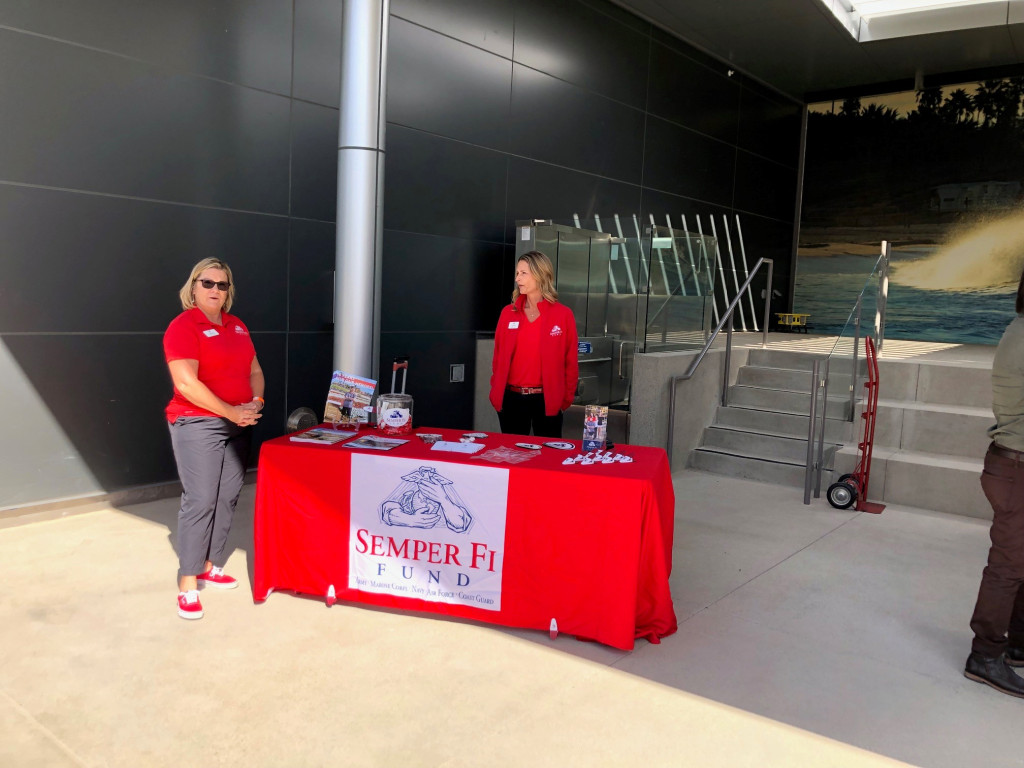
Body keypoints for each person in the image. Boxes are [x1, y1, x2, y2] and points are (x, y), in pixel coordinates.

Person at [164, 258, 264, 620]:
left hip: (239, 421)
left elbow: (254, 370)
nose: (215, 290)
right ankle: (188, 583)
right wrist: (231, 411)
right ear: (193, 287)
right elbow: (186, 383)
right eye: (208, 283)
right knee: (202, 498)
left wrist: (256, 401)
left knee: (227, 496)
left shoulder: (237, 326)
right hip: (197, 423)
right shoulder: (183, 326)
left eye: (222, 285)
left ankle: (211, 565)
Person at [965, 267, 1024, 696]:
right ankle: (985, 655)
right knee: (1009, 566)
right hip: (1017, 467)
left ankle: (1015, 644)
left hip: (1010, 463)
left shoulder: (1016, 328)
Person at [489, 250, 578, 438]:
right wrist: (496, 392)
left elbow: (570, 362)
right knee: (511, 456)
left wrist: (564, 399)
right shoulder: (508, 313)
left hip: (547, 399)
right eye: (517, 273)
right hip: (511, 399)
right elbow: (497, 357)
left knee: (548, 459)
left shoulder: (563, 315)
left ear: (540, 275)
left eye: (523, 273)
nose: (517, 279)